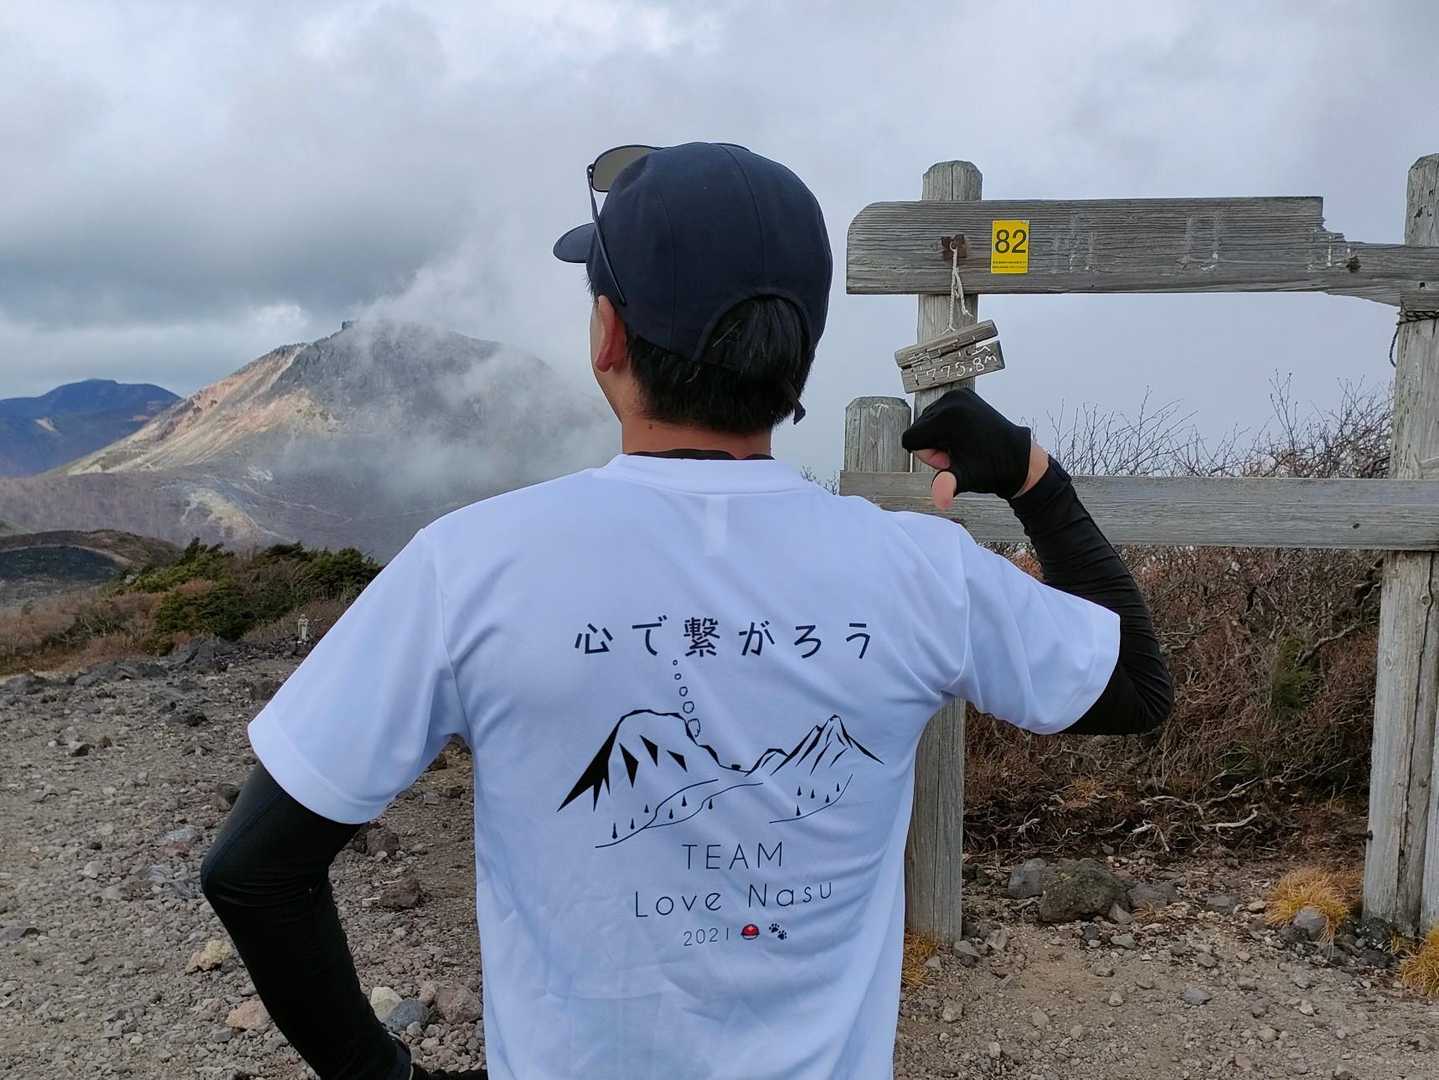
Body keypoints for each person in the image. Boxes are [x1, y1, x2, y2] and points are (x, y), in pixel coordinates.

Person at [201, 142, 1172, 1080]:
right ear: (798, 355)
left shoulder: (469, 566)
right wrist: (1031, 477)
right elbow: (1132, 687)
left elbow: (253, 872)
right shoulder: (919, 571)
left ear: (608, 335)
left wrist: (381, 1072)